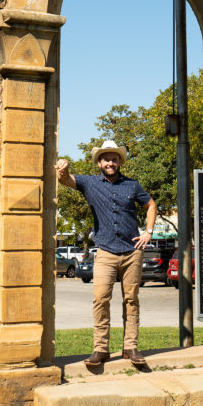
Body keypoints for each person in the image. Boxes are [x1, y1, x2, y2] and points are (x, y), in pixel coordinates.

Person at [56, 140, 157, 369]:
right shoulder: (89, 183)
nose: (110, 162)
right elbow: (66, 180)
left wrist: (148, 232)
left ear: (120, 161)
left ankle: (130, 347)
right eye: (106, 159)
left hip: (133, 251)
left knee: (131, 300)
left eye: (114, 159)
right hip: (105, 252)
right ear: (99, 162)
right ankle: (101, 349)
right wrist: (62, 169)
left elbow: (151, 205)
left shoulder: (132, 185)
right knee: (101, 298)